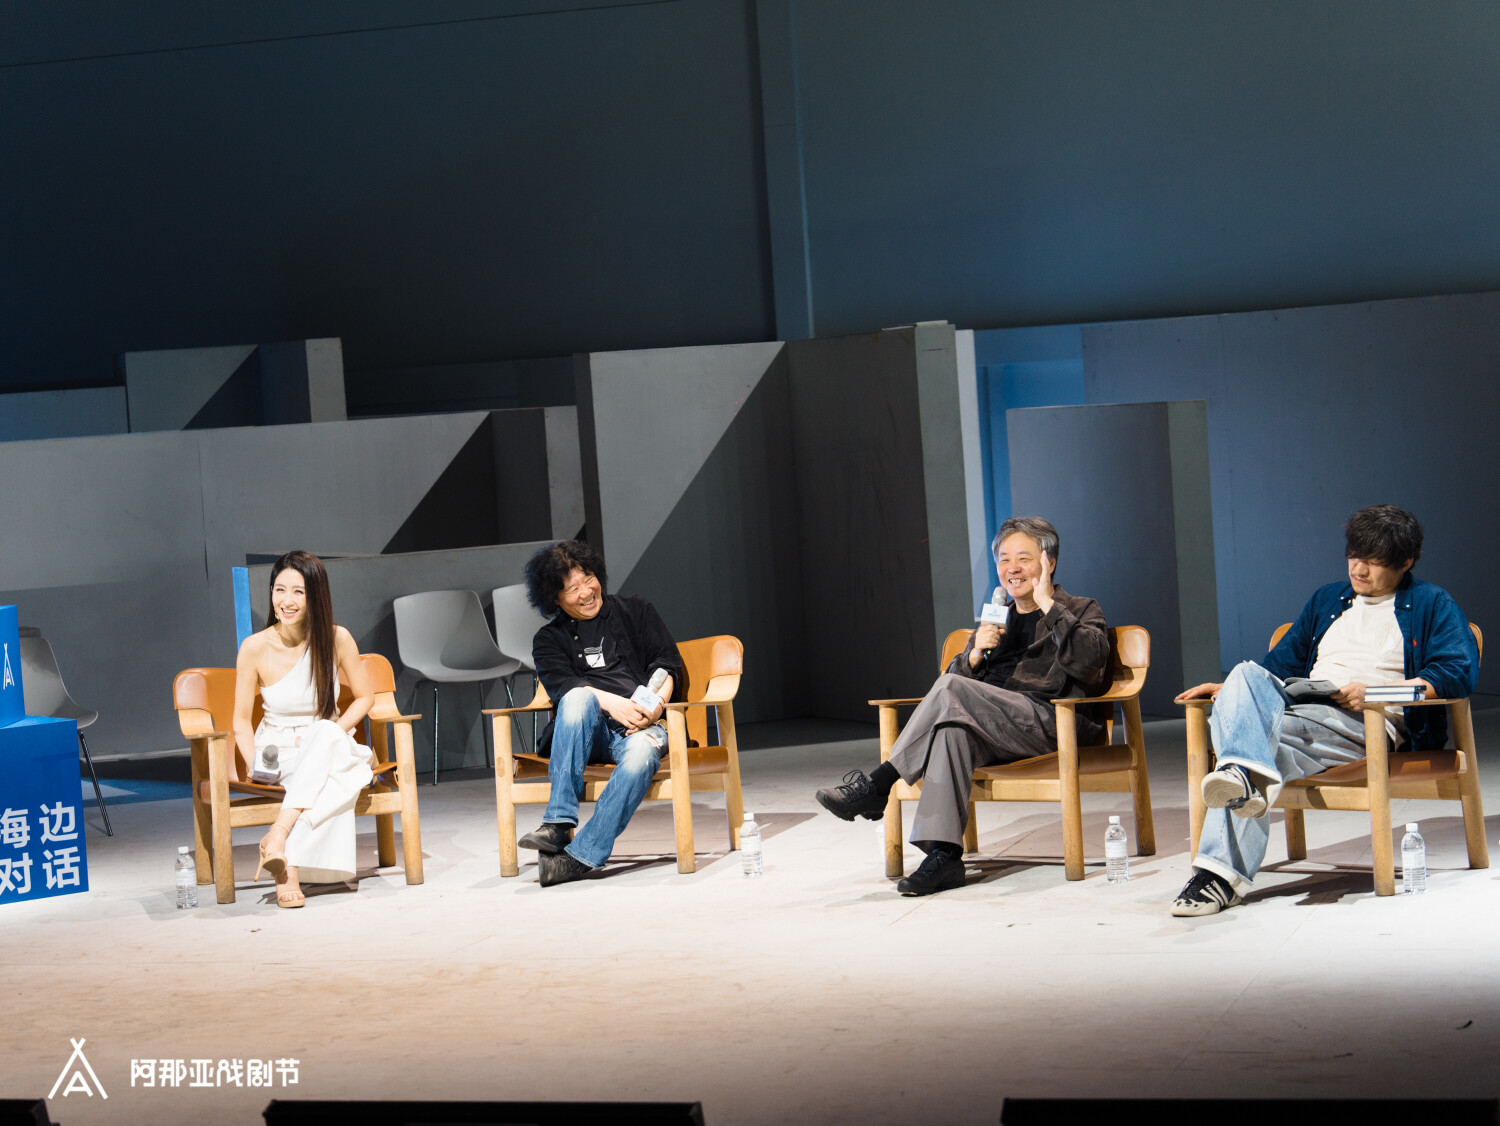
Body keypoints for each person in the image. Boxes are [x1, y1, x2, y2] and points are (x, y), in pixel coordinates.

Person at [1171, 505, 1478, 916]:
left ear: (1405, 562)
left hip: (1369, 724)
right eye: (1354, 556)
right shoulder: (1327, 599)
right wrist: (1232, 692)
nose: (1359, 570)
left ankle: (1216, 872)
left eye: (1374, 561)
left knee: (1253, 749)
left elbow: (1457, 671)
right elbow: (1276, 668)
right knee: (1244, 675)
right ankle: (1242, 779)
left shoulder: (1431, 602)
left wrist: (1374, 692)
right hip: (1304, 715)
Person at [813, 516, 1111, 895]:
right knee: (951, 731)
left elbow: (1090, 663)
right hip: (996, 728)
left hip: (1052, 723)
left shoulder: (1080, 608)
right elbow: (949, 691)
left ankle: (879, 783)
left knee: (952, 691)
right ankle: (945, 857)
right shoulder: (997, 617)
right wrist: (973, 655)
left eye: (1023, 558)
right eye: (1004, 560)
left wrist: (1048, 607)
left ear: (1049, 562)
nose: (1012, 568)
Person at [517, 540, 686, 887]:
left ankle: (578, 857)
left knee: (641, 755)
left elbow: (668, 664)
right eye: (572, 588)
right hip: (587, 733)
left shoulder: (635, 610)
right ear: (555, 599)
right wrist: (615, 704)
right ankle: (558, 823)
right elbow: (565, 689)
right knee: (579, 698)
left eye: (589, 579)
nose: (586, 592)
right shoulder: (548, 640)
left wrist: (653, 709)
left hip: (641, 728)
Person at [236, 550, 375, 908]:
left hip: (330, 741)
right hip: (277, 750)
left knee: (325, 737)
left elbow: (365, 697)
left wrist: (333, 732)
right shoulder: (254, 647)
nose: (287, 601)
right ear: (270, 593)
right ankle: (287, 855)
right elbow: (240, 720)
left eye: (298, 591)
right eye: (279, 590)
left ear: (315, 595)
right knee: (333, 779)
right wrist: (255, 764)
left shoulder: (337, 638)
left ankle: (281, 846)